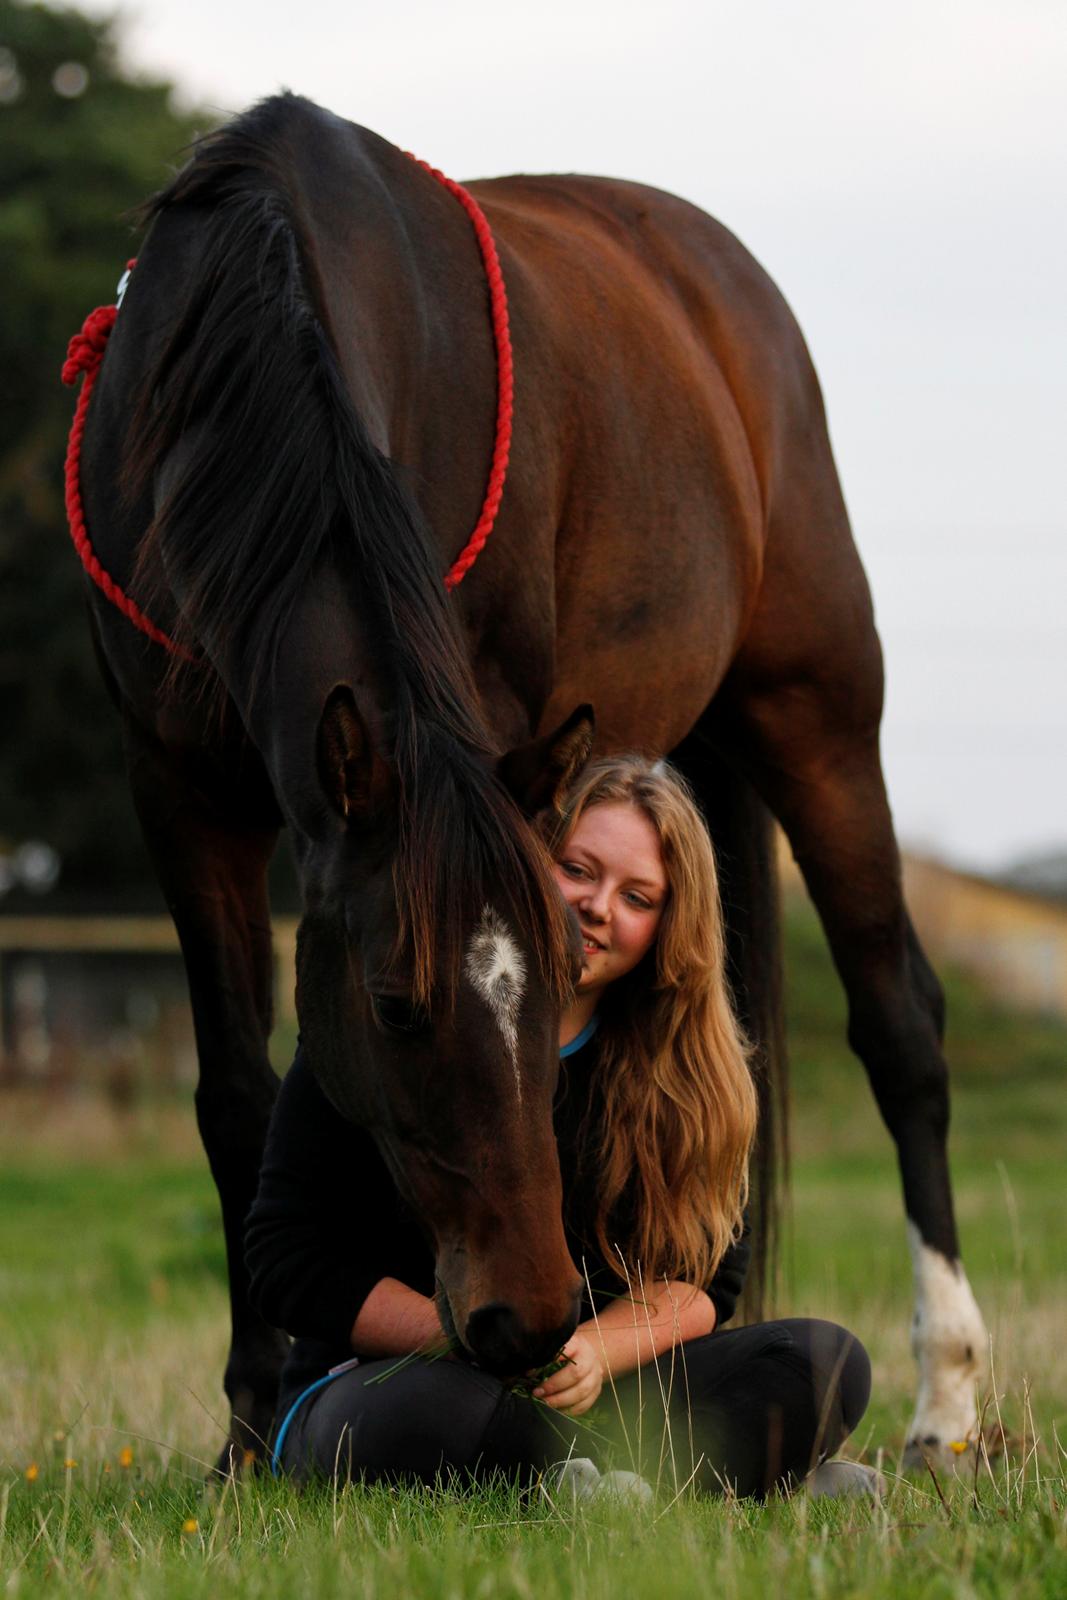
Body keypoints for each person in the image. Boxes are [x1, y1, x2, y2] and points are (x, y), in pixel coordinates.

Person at [245, 755, 872, 1498]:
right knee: (428, 1410)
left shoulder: (688, 1074)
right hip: (386, 1384)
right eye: (577, 868)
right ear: (524, 859)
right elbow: (282, 1260)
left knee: (827, 1362)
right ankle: (701, 1478)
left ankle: (595, 1480)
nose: (598, 905)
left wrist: (594, 1353)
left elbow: (708, 1280)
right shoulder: (387, 1024)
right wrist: (467, 1340)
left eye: (637, 896)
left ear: (669, 925)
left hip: (592, 1391)